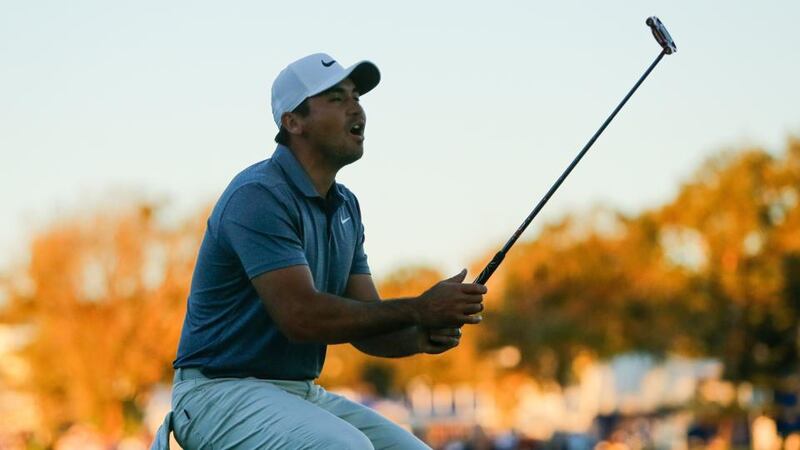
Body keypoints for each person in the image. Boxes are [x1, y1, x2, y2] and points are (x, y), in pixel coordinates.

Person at [150, 53, 486, 449]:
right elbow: (302, 317)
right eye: (337, 98)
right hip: (215, 393)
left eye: (357, 97)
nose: (356, 108)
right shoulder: (258, 195)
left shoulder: (346, 206)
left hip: (297, 392)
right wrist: (419, 307)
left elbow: (369, 329)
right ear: (293, 121)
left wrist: (419, 335)